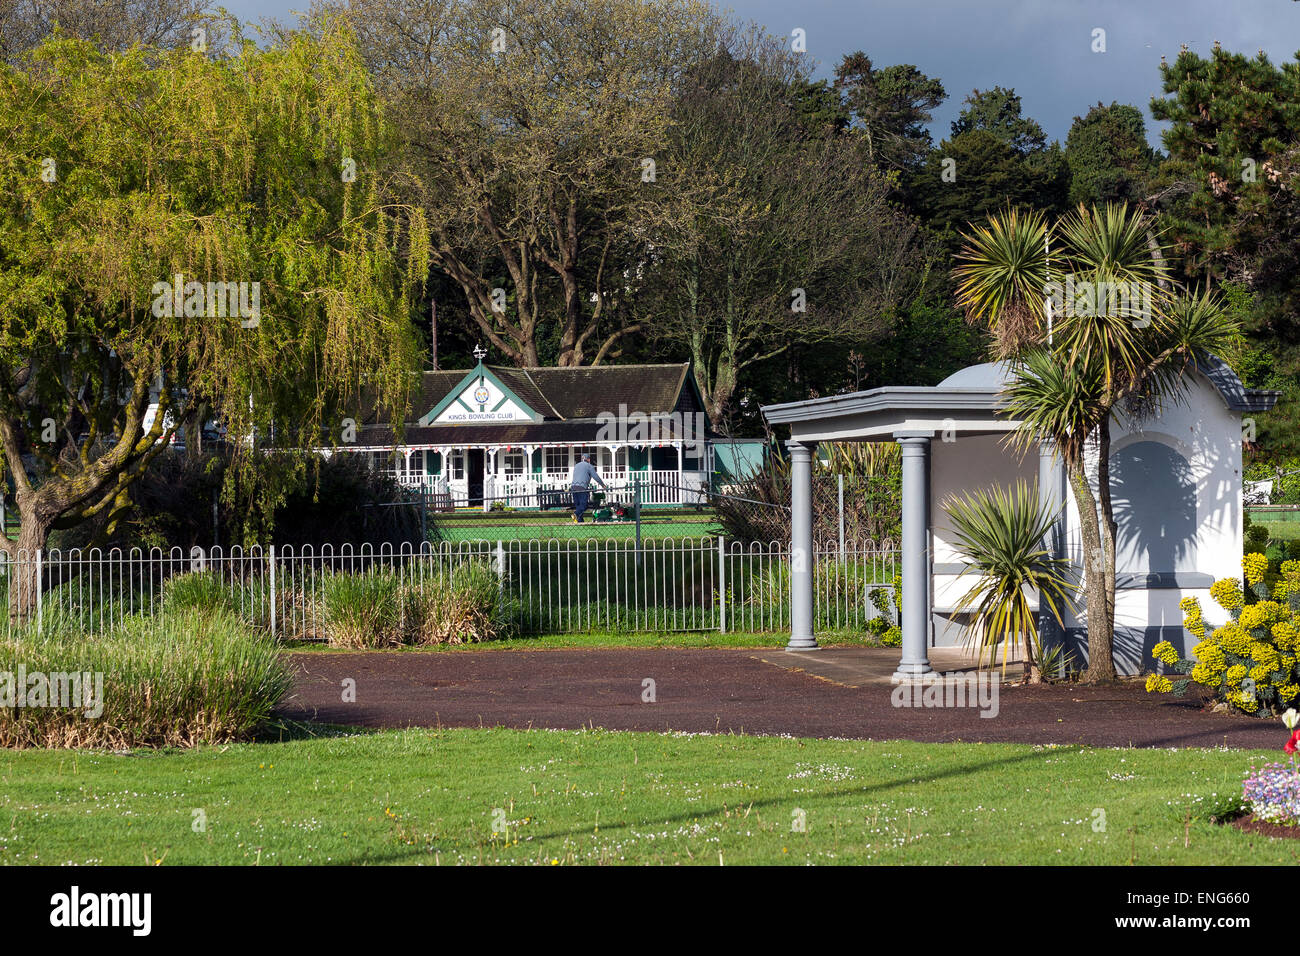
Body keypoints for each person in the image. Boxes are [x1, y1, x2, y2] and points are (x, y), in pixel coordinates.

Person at [569, 453, 607, 523]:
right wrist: (603, 485)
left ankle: (580, 522)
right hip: (582, 488)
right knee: (584, 505)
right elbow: (596, 477)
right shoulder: (589, 466)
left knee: (578, 506)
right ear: (588, 459)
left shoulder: (576, 465)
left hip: (573, 487)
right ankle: (575, 514)